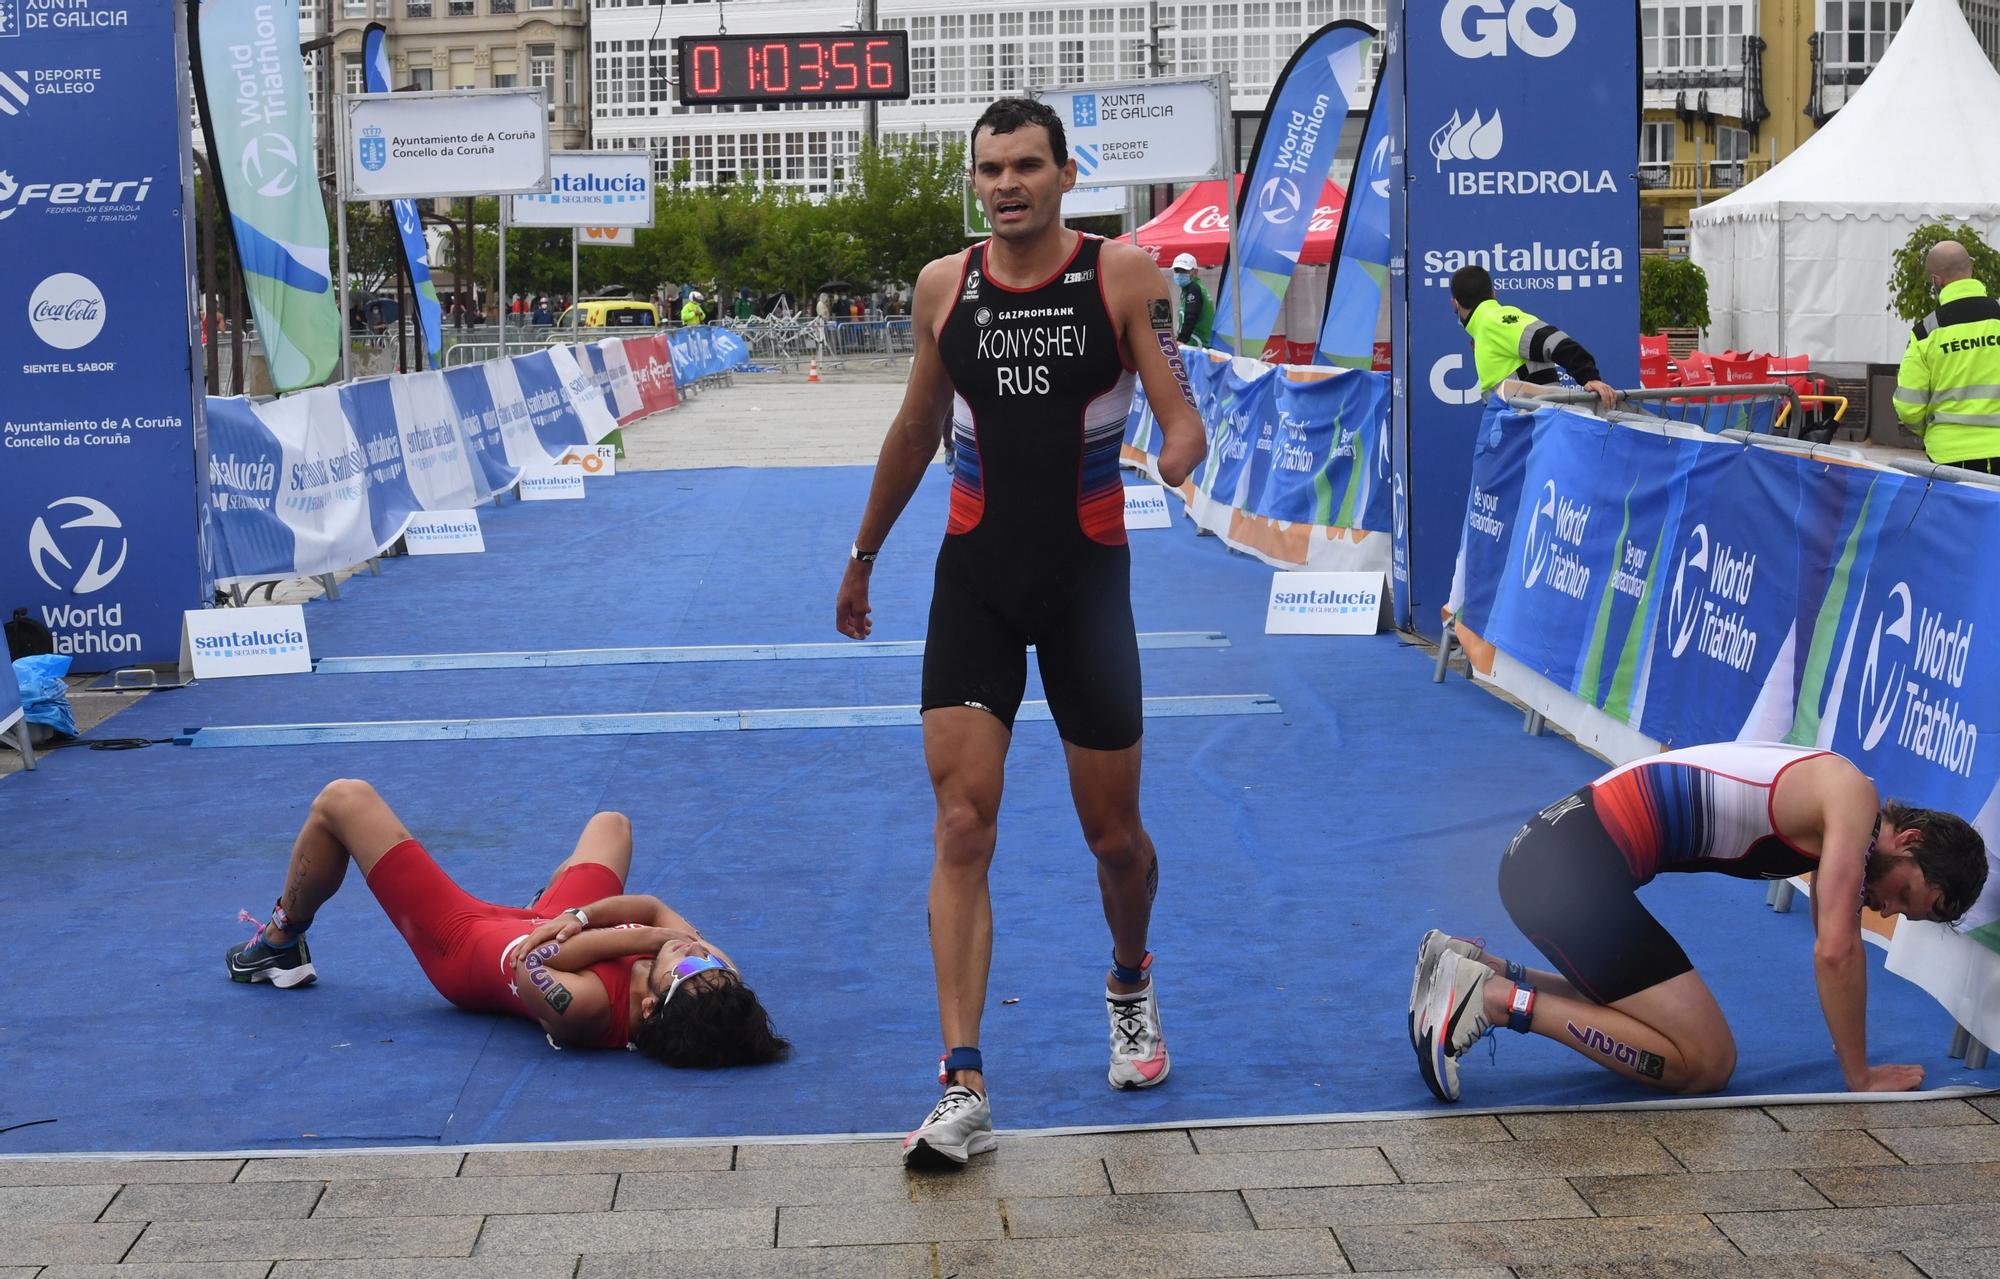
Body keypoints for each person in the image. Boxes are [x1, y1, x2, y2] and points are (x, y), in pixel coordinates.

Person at [834, 96, 1208, 1169]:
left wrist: (1173, 460)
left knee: (1115, 841)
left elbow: (1179, 414)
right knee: (961, 823)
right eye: (989, 168)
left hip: (1087, 589)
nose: (1006, 185)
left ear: (1064, 173)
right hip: (977, 585)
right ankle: (961, 1080)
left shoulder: (1126, 276)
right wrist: (861, 555)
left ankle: (1128, 979)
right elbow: (914, 428)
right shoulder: (942, 287)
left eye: (1027, 166)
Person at [1409, 743, 1987, 1103]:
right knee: (1705, 1063)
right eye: (1903, 895)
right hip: (1564, 870)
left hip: (1555, 855)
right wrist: (1860, 1078)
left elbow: (1828, 946)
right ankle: (1491, 999)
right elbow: (1836, 952)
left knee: (1658, 1019)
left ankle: (1468, 963)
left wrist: (1852, 1062)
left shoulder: (1837, 810)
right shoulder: (1851, 799)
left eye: (1899, 915)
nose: (1885, 909)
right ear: (1908, 839)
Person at [223, 778, 790, 1067]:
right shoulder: (716, 987)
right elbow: (653, 909)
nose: (697, 950)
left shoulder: (589, 1012)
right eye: (709, 959)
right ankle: (549, 899)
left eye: (687, 962)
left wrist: (645, 935)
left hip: (464, 940)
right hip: (550, 921)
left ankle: (280, 940)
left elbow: (529, 963)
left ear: (649, 1008)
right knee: (612, 825)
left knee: (342, 801)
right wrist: (578, 915)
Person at [1450, 264, 1617, 412]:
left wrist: (1589, 376)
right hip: (1523, 431)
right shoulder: (1483, 330)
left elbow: (1552, 340)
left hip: (1537, 430)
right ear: (1493, 293)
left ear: (1455, 303)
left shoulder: (1493, 320)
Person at [1894, 240, 2000, 471]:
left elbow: (1908, 406)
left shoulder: (1925, 332)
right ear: (1970, 269)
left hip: (1950, 456)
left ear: (1936, 280)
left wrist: (1937, 428)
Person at [1170, 253, 1215, 348]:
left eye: (1184, 271)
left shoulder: (1194, 289)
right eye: (1177, 270)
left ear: (1195, 272)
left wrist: (1182, 339)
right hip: (1194, 343)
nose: (1179, 274)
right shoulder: (1191, 288)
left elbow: (1191, 315)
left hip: (1195, 344)